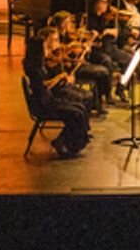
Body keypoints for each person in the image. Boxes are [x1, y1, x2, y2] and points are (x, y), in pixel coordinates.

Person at [23, 28, 91, 157]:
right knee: (76, 113)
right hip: (43, 103)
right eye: (43, 47)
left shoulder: (38, 63)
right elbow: (43, 84)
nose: (46, 49)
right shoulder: (34, 67)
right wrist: (59, 77)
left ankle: (70, 141)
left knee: (80, 107)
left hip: (47, 99)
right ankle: (63, 142)